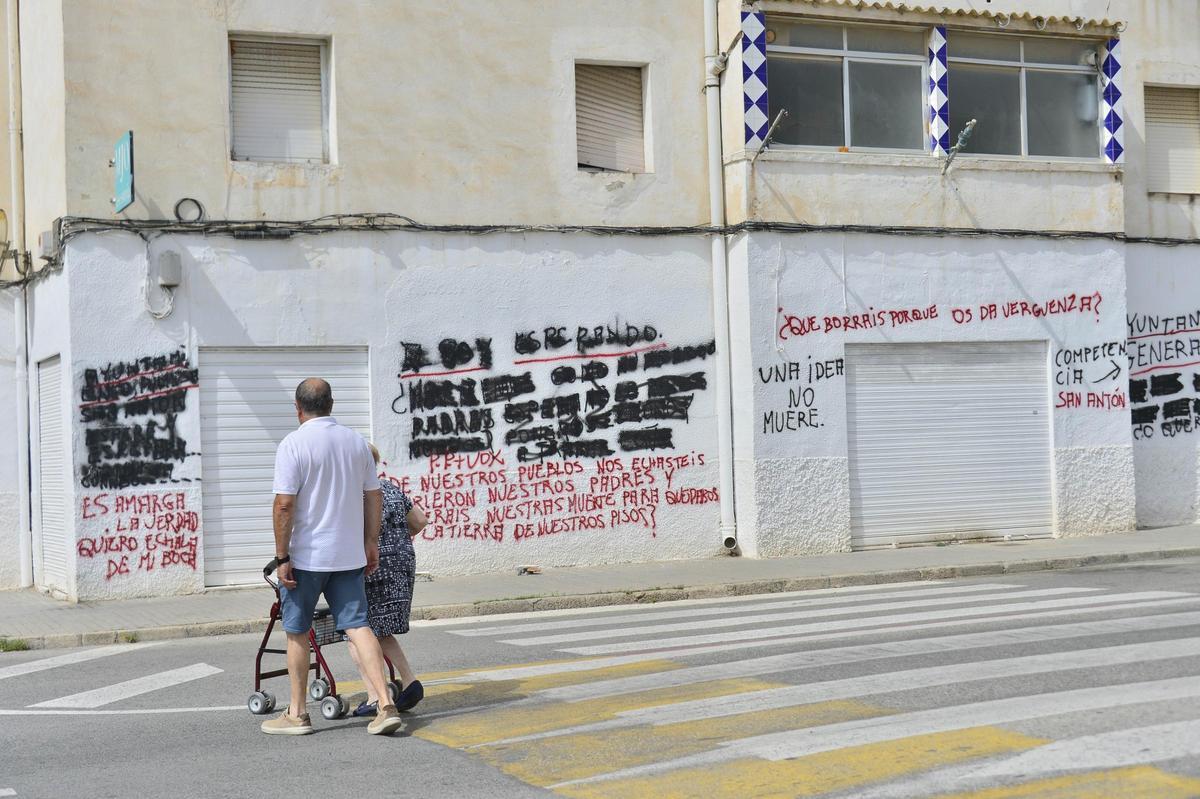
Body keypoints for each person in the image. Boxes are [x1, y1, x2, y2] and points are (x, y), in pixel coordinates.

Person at [261, 378, 404, 736]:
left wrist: (282, 556)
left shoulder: (293, 444)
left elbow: (284, 505)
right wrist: (370, 541)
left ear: (297, 408)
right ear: (332, 404)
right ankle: (385, 705)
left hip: (306, 558)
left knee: (296, 632)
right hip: (348, 555)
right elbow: (374, 496)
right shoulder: (356, 443)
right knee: (359, 626)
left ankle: (297, 714)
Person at [346, 443, 428, 717]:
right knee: (379, 630)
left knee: (356, 630)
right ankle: (410, 682)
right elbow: (419, 521)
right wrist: (396, 540)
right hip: (402, 564)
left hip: (373, 567)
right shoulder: (390, 488)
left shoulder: (355, 494)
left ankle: (374, 696)